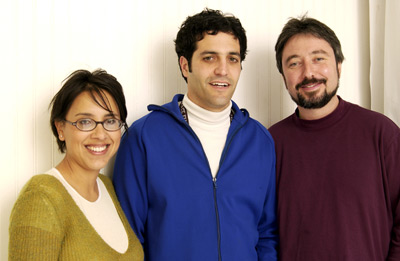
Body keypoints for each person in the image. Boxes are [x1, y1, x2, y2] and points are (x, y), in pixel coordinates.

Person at [113, 8, 278, 261]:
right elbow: (129, 238)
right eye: (209, 58)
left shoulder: (259, 141)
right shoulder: (144, 137)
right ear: (185, 65)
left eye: (232, 59)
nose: (223, 70)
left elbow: (266, 233)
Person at [269, 15, 400, 260]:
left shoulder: (382, 133)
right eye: (294, 63)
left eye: (319, 59)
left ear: (339, 65)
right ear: (283, 77)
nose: (309, 73)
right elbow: (263, 230)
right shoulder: (269, 143)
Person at [9, 69, 144, 260]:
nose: (100, 134)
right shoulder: (40, 198)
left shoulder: (106, 187)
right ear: (60, 128)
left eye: (110, 120)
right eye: (85, 122)